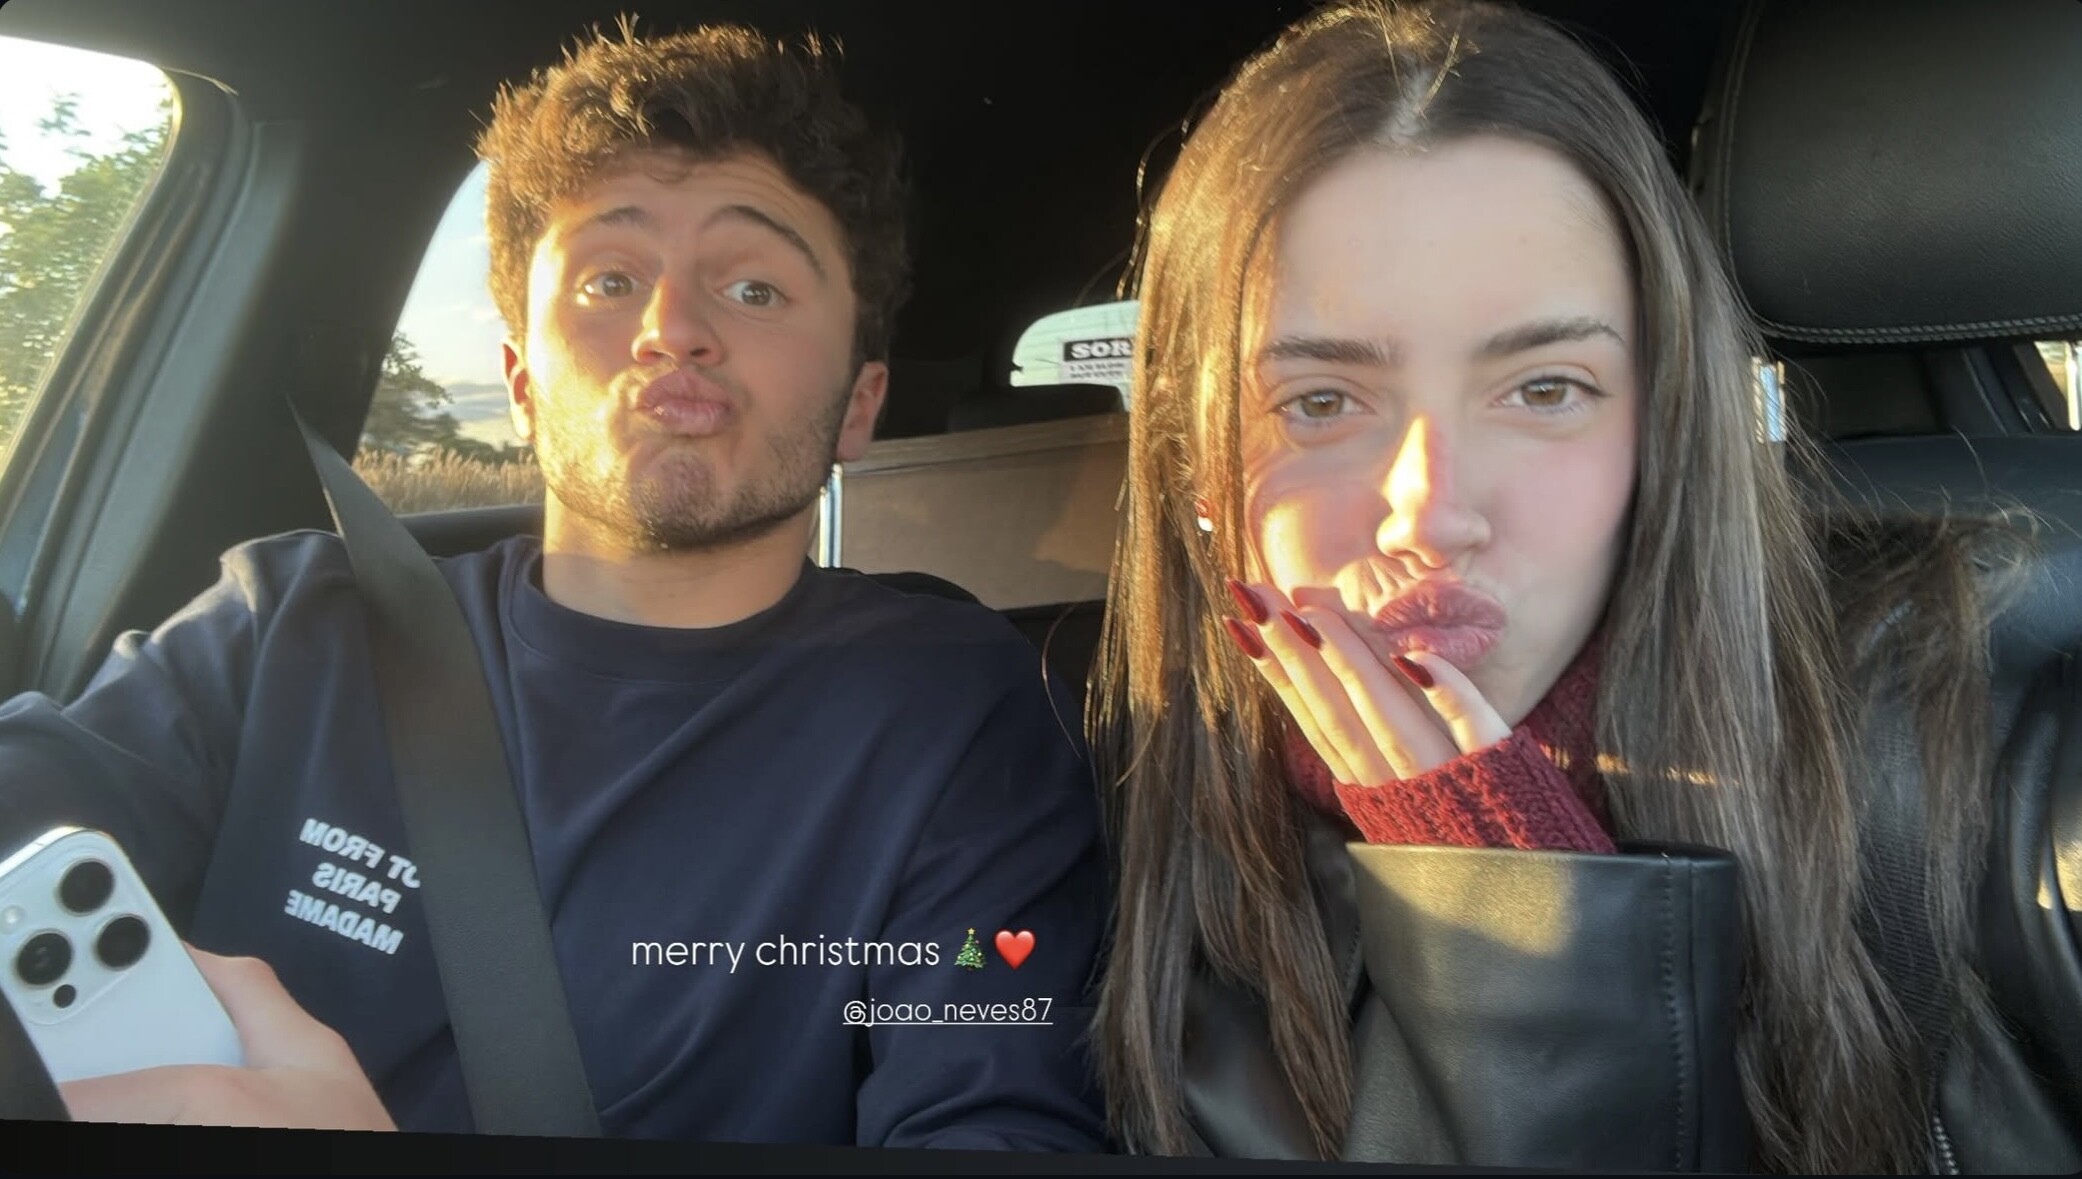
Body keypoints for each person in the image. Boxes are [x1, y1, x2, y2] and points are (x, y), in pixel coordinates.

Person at [0, 23, 1108, 1151]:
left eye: (756, 288)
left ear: (860, 407)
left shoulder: (962, 723)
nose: (674, 331)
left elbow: (991, 1119)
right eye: (611, 279)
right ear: (523, 384)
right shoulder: (284, 625)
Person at [1090, 0, 2076, 1172]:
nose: (1432, 514)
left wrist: (1504, 895)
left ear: (1660, 428)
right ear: (1199, 469)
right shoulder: (1106, 842)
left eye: (1546, 389)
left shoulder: (2017, 787)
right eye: (1319, 403)